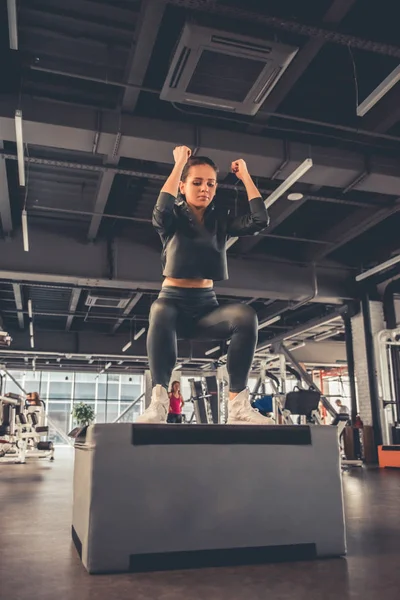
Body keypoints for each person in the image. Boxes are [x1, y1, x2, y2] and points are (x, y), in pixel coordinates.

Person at [137, 145, 274, 425]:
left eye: (210, 183)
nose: (205, 189)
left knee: (245, 316)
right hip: (171, 303)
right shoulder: (172, 219)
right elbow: (160, 210)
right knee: (158, 310)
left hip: (205, 307)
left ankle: (237, 405)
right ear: (183, 186)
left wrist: (246, 176)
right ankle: (159, 402)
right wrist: (179, 164)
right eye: (196, 182)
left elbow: (259, 219)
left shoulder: (219, 221)